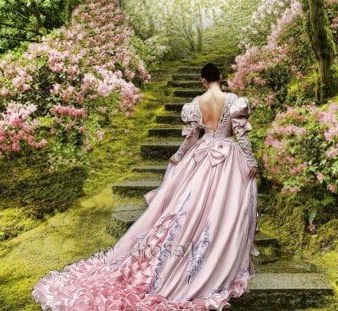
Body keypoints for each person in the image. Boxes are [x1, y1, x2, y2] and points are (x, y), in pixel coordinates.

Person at [31, 63, 260, 310]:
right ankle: (214, 255)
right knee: (223, 208)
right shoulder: (234, 101)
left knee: (186, 206)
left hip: (201, 156)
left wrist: (179, 156)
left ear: (202, 80)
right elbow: (241, 136)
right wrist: (250, 160)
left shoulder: (196, 104)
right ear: (221, 77)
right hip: (227, 156)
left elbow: (192, 137)